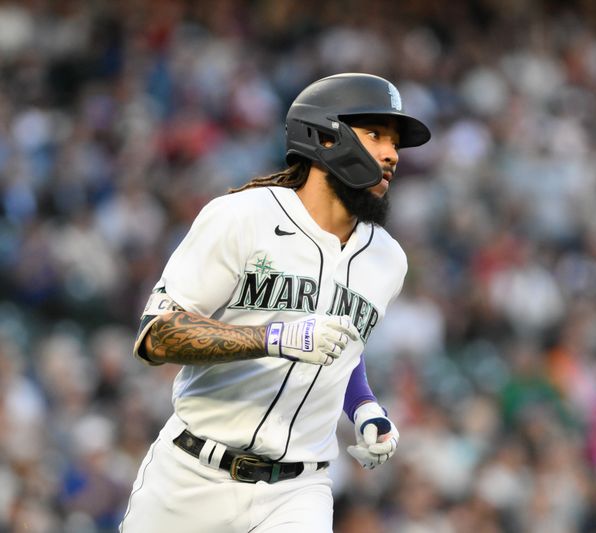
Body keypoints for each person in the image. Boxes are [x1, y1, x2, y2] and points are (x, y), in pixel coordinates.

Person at [119, 73, 431, 532]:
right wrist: (275, 337)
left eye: (395, 143)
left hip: (297, 493)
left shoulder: (388, 260)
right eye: (375, 135)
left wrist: (364, 406)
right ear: (326, 136)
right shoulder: (244, 216)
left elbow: (342, 348)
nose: (391, 154)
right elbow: (157, 336)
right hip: (190, 477)